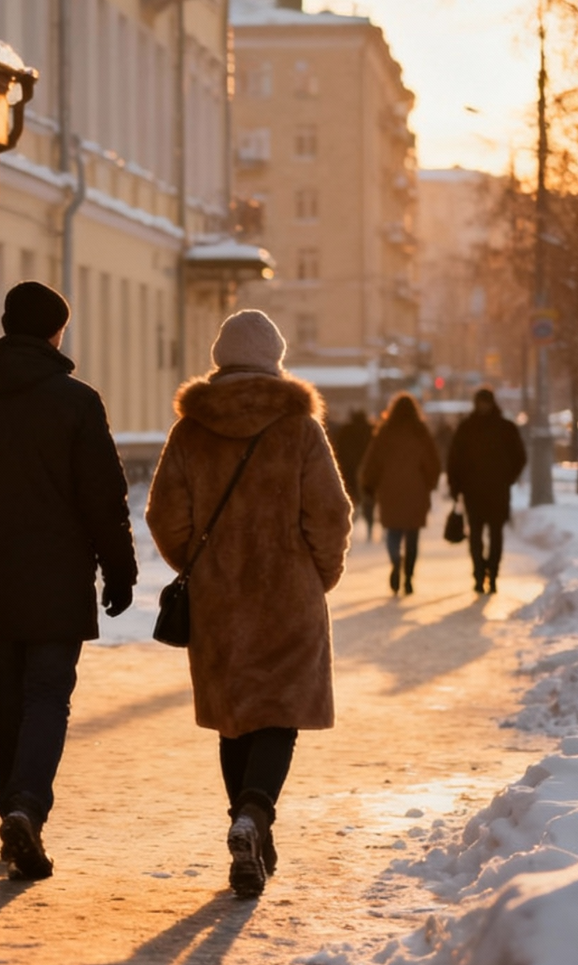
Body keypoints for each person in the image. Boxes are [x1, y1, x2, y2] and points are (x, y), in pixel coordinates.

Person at [0, 280, 138, 882]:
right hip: (59, 575)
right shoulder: (77, 401)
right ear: (54, 332)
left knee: (5, 695)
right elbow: (104, 497)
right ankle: (25, 808)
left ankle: (14, 810)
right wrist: (119, 568)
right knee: (47, 694)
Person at [145, 310, 352, 899]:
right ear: (275, 360)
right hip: (289, 597)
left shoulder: (191, 431)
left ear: (220, 358)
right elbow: (331, 514)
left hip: (219, 600)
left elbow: (163, 514)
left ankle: (245, 823)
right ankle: (255, 817)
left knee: (235, 720)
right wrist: (321, 574)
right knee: (279, 714)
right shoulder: (300, 428)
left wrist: (199, 567)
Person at [358, 393, 441, 596]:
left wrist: (369, 484)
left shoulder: (385, 432)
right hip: (416, 490)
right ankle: (409, 578)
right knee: (412, 535)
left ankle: (396, 560)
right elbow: (433, 463)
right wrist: (429, 484)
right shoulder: (421, 432)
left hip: (389, 490)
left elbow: (372, 462)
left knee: (392, 531)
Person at [447, 387, 527, 594]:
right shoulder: (502, 427)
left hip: (485, 490)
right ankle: (481, 573)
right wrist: (456, 487)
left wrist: (457, 487)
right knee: (481, 534)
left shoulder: (470, 427)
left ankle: (489, 573)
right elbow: (454, 461)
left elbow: (453, 461)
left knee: (490, 534)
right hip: (485, 491)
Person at [333, 409, 375, 542]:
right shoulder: (371, 430)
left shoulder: (345, 431)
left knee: (352, 499)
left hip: (349, 469)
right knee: (369, 500)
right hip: (368, 468)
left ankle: (349, 527)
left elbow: (337, 450)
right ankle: (370, 526)